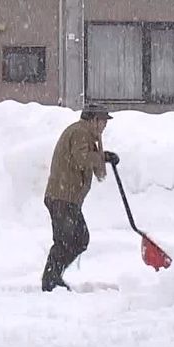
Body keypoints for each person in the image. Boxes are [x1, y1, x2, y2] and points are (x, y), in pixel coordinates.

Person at [41, 106, 120, 292]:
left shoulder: (86, 135)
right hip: (62, 197)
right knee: (67, 241)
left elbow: (89, 160)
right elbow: (81, 158)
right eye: (103, 120)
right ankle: (50, 280)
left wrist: (102, 156)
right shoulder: (80, 133)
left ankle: (53, 277)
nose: (105, 125)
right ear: (93, 120)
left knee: (78, 239)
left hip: (67, 198)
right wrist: (103, 157)